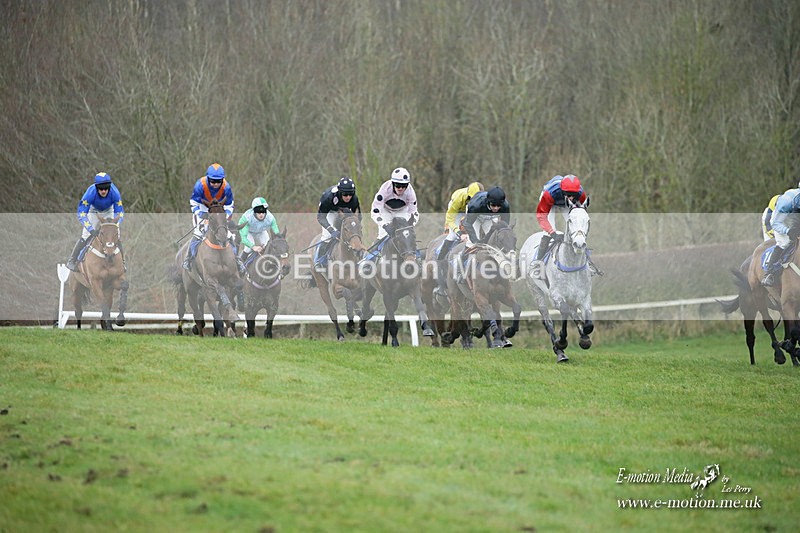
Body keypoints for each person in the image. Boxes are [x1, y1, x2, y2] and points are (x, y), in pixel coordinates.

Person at [182, 163, 237, 272]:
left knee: (229, 235)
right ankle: (189, 259)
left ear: (222, 180)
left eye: (218, 181)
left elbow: (230, 205)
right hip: (203, 208)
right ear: (208, 178)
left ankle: (237, 260)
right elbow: (193, 202)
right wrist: (199, 213)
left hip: (219, 210)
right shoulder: (200, 185)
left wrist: (224, 214)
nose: (216, 184)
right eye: (213, 181)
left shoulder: (226, 187)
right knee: (198, 233)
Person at [432, 181, 484, 297]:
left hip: (471, 213)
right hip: (456, 212)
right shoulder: (459, 198)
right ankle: (439, 261)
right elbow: (450, 218)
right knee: (452, 236)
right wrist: (458, 232)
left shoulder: (483, 200)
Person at [66, 172, 125, 272]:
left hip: (109, 210)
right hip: (93, 210)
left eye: (106, 188)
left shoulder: (115, 193)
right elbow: (81, 213)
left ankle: (122, 262)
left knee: (115, 234)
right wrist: (91, 229)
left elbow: (119, 212)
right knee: (85, 235)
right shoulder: (90, 193)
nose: (103, 191)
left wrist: (115, 225)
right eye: (101, 188)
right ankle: (72, 260)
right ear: (96, 187)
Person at [535, 174, 589, 261]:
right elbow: (541, 216)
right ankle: (537, 263)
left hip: (565, 203)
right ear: (563, 191)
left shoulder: (581, 194)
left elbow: (582, 215)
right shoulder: (549, 194)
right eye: (568, 194)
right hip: (550, 202)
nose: (571, 197)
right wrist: (552, 233)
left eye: (573, 194)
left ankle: (584, 259)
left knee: (575, 225)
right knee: (547, 232)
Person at [314, 176, 361, 271]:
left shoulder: (354, 199)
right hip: (329, 212)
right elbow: (320, 217)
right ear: (340, 192)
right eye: (345, 194)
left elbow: (358, 217)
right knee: (327, 236)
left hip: (345, 212)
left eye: (350, 194)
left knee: (353, 233)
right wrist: (332, 231)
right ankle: (319, 260)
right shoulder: (328, 198)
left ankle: (359, 256)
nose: (348, 197)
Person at [370, 167, 419, 246]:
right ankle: (373, 255)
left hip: (402, 211)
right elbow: (375, 211)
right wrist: (385, 225)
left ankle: (414, 255)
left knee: (406, 234)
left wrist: (410, 225)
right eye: (398, 185)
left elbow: (414, 213)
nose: (400, 188)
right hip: (386, 211)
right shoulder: (385, 190)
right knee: (383, 235)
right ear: (392, 183)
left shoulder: (410, 193)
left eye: (404, 186)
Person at [762, 186, 800, 287]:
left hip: (794, 216)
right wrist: (788, 231)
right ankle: (769, 273)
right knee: (784, 243)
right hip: (778, 219)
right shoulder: (787, 203)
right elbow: (775, 223)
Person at [238, 197, 280, 264]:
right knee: (248, 249)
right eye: (258, 211)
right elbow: (243, 237)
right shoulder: (246, 218)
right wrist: (253, 247)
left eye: (263, 211)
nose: (261, 214)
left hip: (261, 232)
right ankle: (240, 266)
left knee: (268, 247)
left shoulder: (270, 218)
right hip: (248, 232)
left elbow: (277, 234)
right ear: (254, 210)